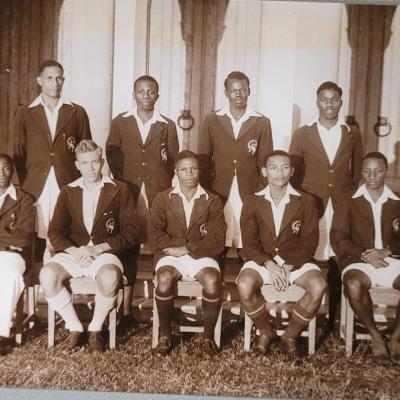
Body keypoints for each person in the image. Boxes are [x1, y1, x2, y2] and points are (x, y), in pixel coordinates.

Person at [39, 140, 138, 352]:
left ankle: (95, 329)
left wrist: (98, 249)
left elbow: (131, 232)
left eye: (95, 161)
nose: (90, 167)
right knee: (47, 275)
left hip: (104, 252)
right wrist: (75, 251)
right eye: (85, 163)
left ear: (102, 162)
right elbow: (55, 232)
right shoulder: (68, 191)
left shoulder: (120, 190)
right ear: (77, 165)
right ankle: (75, 327)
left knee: (110, 277)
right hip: (74, 253)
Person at [237, 150, 326, 357]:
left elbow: (309, 241)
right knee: (244, 284)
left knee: (318, 285)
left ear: (292, 171)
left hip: (296, 261)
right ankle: (266, 333)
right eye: (274, 168)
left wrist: (288, 265)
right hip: (262, 261)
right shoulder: (252, 200)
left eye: (285, 167)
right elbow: (249, 244)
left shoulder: (306, 201)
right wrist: (269, 264)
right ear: (264, 171)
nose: (280, 173)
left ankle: (290, 336)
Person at [289, 81, 363, 328]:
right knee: (311, 252)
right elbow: (294, 170)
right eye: (324, 99)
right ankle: (309, 310)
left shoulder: (352, 133)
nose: (329, 104)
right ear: (317, 102)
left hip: (341, 204)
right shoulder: (303, 133)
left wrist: (347, 197)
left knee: (338, 256)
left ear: (341, 102)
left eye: (334, 99)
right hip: (312, 202)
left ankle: (334, 316)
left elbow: (357, 171)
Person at [106, 75, 179, 322]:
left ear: (157, 96)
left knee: (159, 245)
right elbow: (112, 154)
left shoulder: (166, 125)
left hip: (157, 192)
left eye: (151, 92)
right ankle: (124, 309)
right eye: (141, 91)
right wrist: (124, 184)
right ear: (134, 94)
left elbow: (172, 159)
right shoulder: (121, 122)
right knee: (128, 246)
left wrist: (158, 182)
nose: (146, 96)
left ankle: (161, 310)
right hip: (130, 192)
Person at [11, 60, 91, 262]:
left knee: (66, 235)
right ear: (39, 81)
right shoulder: (26, 112)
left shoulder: (76, 112)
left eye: (59, 78)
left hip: (66, 183)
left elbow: (86, 151)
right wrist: (26, 185)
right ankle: (35, 289)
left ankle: (63, 282)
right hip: (36, 187)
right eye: (49, 78)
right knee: (35, 237)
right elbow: (17, 153)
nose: (55, 83)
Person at [149, 150, 226, 355]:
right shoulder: (163, 199)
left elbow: (217, 241)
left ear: (199, 171)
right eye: (184, 169)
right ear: (176, 172)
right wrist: (179, 248)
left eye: (193, 168)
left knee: (211, 280)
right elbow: (155, 237)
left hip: (201, 255)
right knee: (164, 278)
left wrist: (188, 247)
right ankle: (166, 334)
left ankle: (208, 337)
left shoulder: (212, 200)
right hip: (170, 256)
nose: (189, 173)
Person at [331, 152, 400, 364]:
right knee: (353, 283)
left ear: (386, 172)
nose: (372, 176)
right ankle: (376, 337)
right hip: (359, 260)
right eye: (367, 171)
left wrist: (386, 251)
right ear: (361, 172)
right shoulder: (348, 201)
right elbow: (338, 238)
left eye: (378, 170)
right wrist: (365, 254)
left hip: (392, 260)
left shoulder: (397, 201)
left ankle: (396, 338)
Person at [198, 71, 273, 254]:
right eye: (233, 91)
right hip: (219, 189)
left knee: (247, 243)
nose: (238, 94)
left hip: (249, 189)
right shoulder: (212, 119)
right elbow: (203, 159)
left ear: (249, 91)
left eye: (243, 90)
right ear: (226, 93)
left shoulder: (261, 122)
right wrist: (207, 190)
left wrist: (259, 190)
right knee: (217, 242)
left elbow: (265, 162)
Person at [0, 154, 35, 354]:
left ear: (12, 170)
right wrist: (6, 240)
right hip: (7, 249)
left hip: (14, 256)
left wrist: (5, 246)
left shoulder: (23, 200)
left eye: (5, 168)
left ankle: (2, 334)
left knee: (9, 274)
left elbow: (23, 237)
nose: (1, 173)